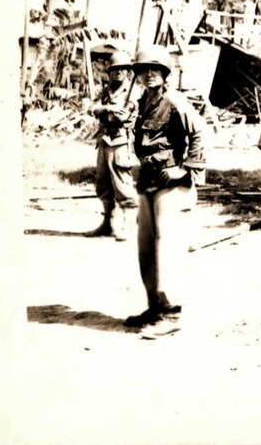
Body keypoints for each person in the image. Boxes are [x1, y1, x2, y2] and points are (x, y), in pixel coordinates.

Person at [124, 45, 206, 336]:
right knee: (146, 247)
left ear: (164, 72)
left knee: (168, 248)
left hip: (170, 184)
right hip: (147, 181)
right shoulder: (144, 101)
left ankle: (171, 315)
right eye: (143, 70)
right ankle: (154, 306)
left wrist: (185, 168)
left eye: (154, 69)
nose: (148, 75)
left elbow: (199, 131)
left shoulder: (174, 100)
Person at [88, 50, 138, 240]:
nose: (118, 72)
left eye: (123, 69)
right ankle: (107, 223)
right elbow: (92, 108)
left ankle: (128, 225)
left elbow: (123, 116)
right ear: (109, 72)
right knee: (103, 183)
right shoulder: (106, 90)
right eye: (115, 69)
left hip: (120, 141)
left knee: (122, 183)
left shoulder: (133, 91)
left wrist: (105, 111)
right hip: (104, 140)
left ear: (127, 71)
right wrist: (107, 108)